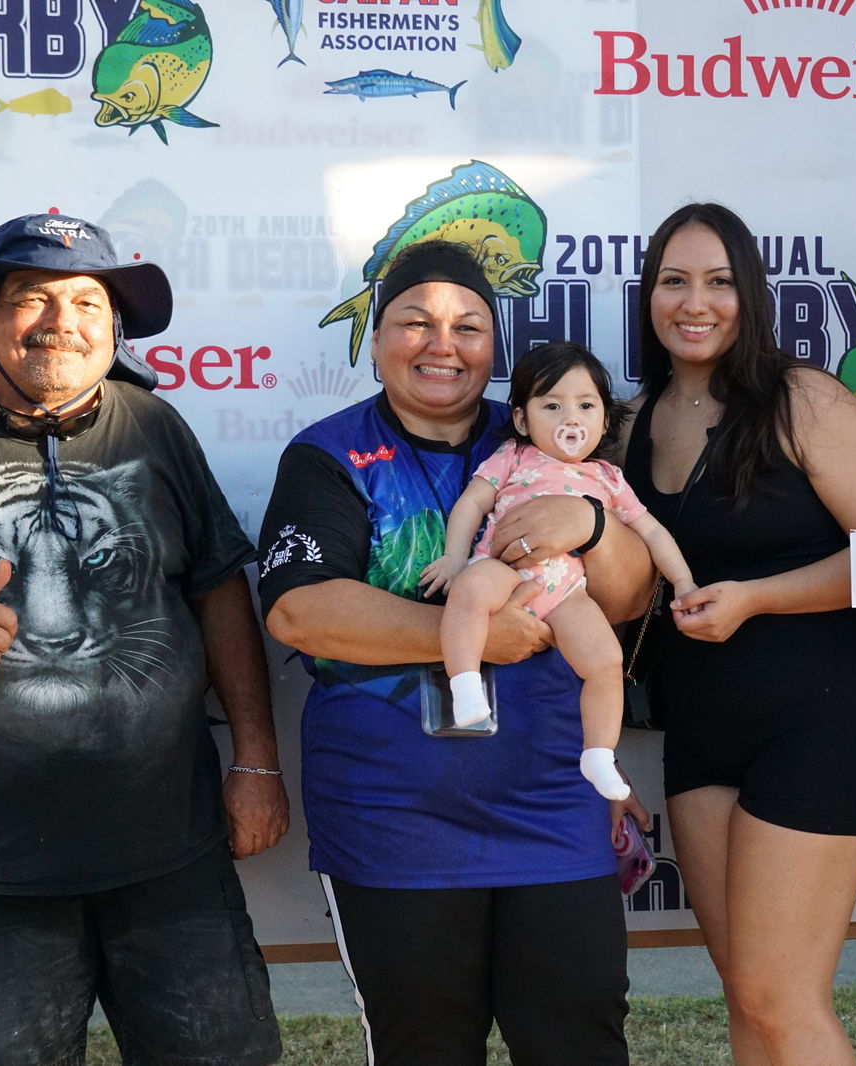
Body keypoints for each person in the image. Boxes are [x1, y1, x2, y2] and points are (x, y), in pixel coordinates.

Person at [0, 213, 287, 1066]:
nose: (60, 319)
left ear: (114, 329)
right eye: (30, 297)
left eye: (86, 300)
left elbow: (218, 590)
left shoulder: (154, 427)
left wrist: (256, 760)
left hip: (172, 851)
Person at [256, 241, 653, 1066]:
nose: (443, 344)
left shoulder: (545, 434)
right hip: (395, 821)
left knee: (579, 1041)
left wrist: (592, 525)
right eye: (416, 322)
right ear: (375, 340)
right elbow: (300, 611)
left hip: (553, 802)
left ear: (495, 350)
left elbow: (627, 598)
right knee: (426, 1049)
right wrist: (474, 638)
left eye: (469, 326)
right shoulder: (329, 455)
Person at [620, 202, 856, 1066]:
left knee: (779, 996)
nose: (695, 302)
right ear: (649, 297)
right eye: (674, 281)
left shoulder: (805, 400)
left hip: (820, 724)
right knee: (746, 999)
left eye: (719, 281)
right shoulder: (633, 423)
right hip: (702, 734)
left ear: (751, 294)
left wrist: (757, 599)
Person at [418, 341, 696, 801]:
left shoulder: (608, 478)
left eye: (586, 406)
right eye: (552, 405)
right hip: (504, 567)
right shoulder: (512, 457)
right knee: (469, 590)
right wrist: (454, 556)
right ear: (523, 419)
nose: (571, 418)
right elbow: (471, 503)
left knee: (606, 662)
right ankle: (464, 682)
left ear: (605, 420)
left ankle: (599, 753)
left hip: (570, 593)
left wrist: (683, 581)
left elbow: (653, 533)